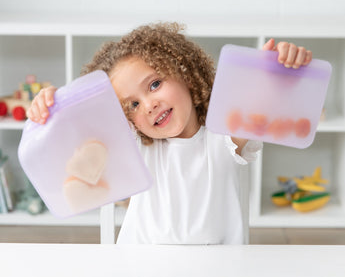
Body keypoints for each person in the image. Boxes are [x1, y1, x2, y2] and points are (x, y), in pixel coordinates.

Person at [27, 22, 312, 244]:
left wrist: (280, 65)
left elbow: (258, 99)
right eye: (133, 105)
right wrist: (54, 106)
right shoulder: (134, 146)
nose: (149, 105)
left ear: (184, 73)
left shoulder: (222, 138)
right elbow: (77, 140)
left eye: (154, 84)